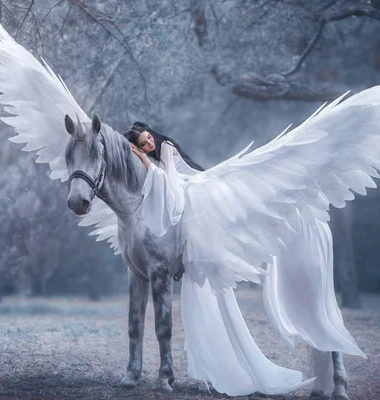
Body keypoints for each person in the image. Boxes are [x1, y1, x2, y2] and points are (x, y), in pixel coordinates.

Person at [122, 121, 335, 396]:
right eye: (143, 145)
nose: (149, 143)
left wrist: (140, 156)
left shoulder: (165, 149)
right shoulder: (155, 158)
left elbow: (167, 183)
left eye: (148, 138)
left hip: (196, 191)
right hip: (189, 192)